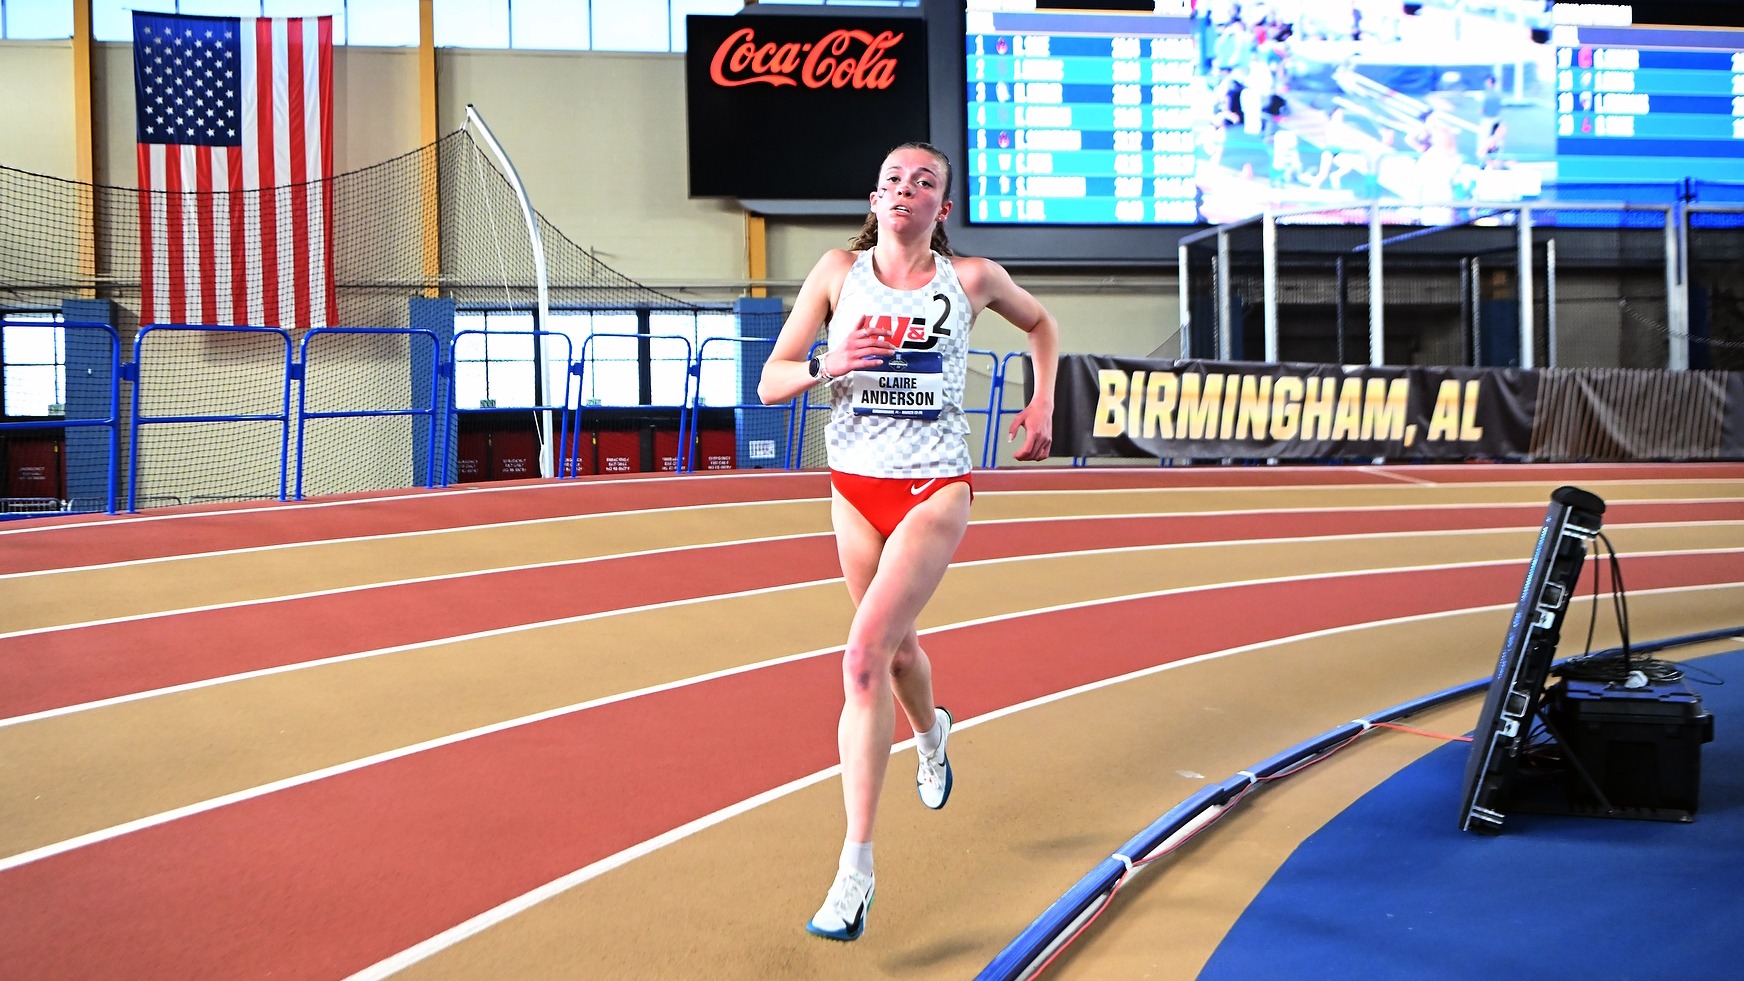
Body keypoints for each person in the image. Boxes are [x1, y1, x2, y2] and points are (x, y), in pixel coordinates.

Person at [757, 141, 1059, 942]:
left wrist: (1042, 405)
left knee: (861, 658)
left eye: (923, 182)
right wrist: (827, 363)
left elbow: (1043, 325)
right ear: (874, 197)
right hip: (853, 487)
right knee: (893, 654)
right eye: (893, 179)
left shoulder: (972, 280)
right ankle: (933, 735)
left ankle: (854, 874)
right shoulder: (834, 273)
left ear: (941, 208)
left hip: (935, 486)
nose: (905, 190)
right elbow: (771, 378)